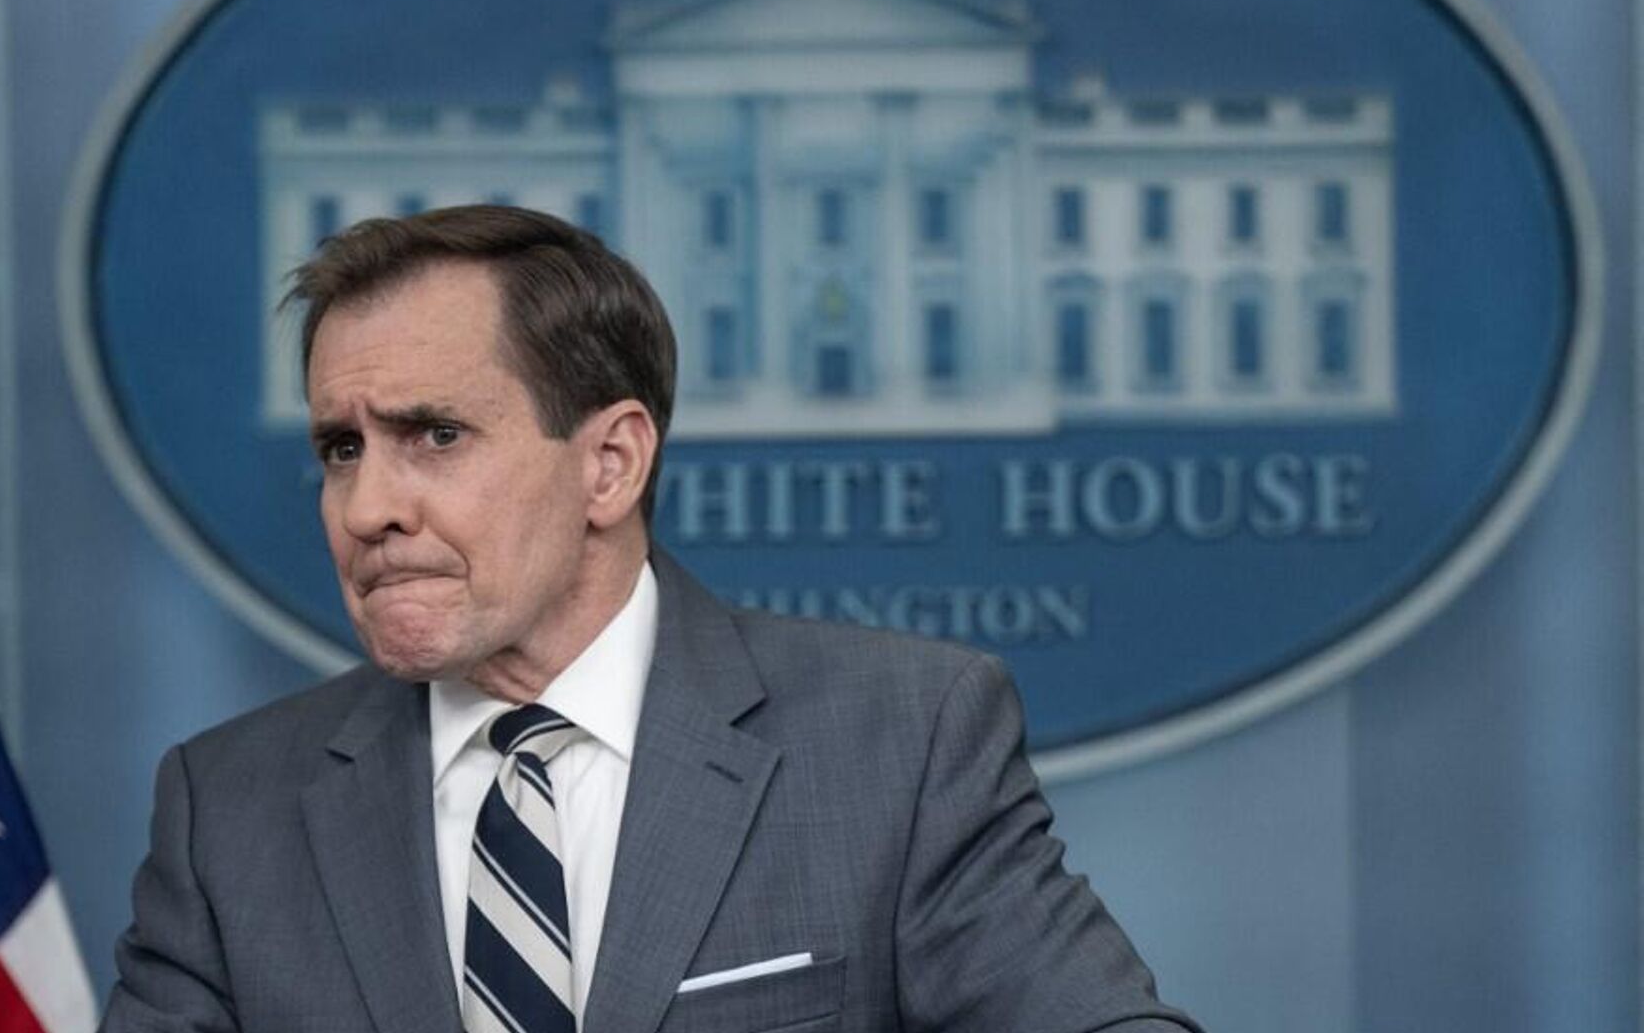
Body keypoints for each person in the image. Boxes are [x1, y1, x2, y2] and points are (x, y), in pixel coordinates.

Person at [100, 205, 1202, 1033]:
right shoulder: (227, 810)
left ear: (611, 464)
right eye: (342, 449)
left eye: (435, 436)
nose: (367, 508)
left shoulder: (898, 744)